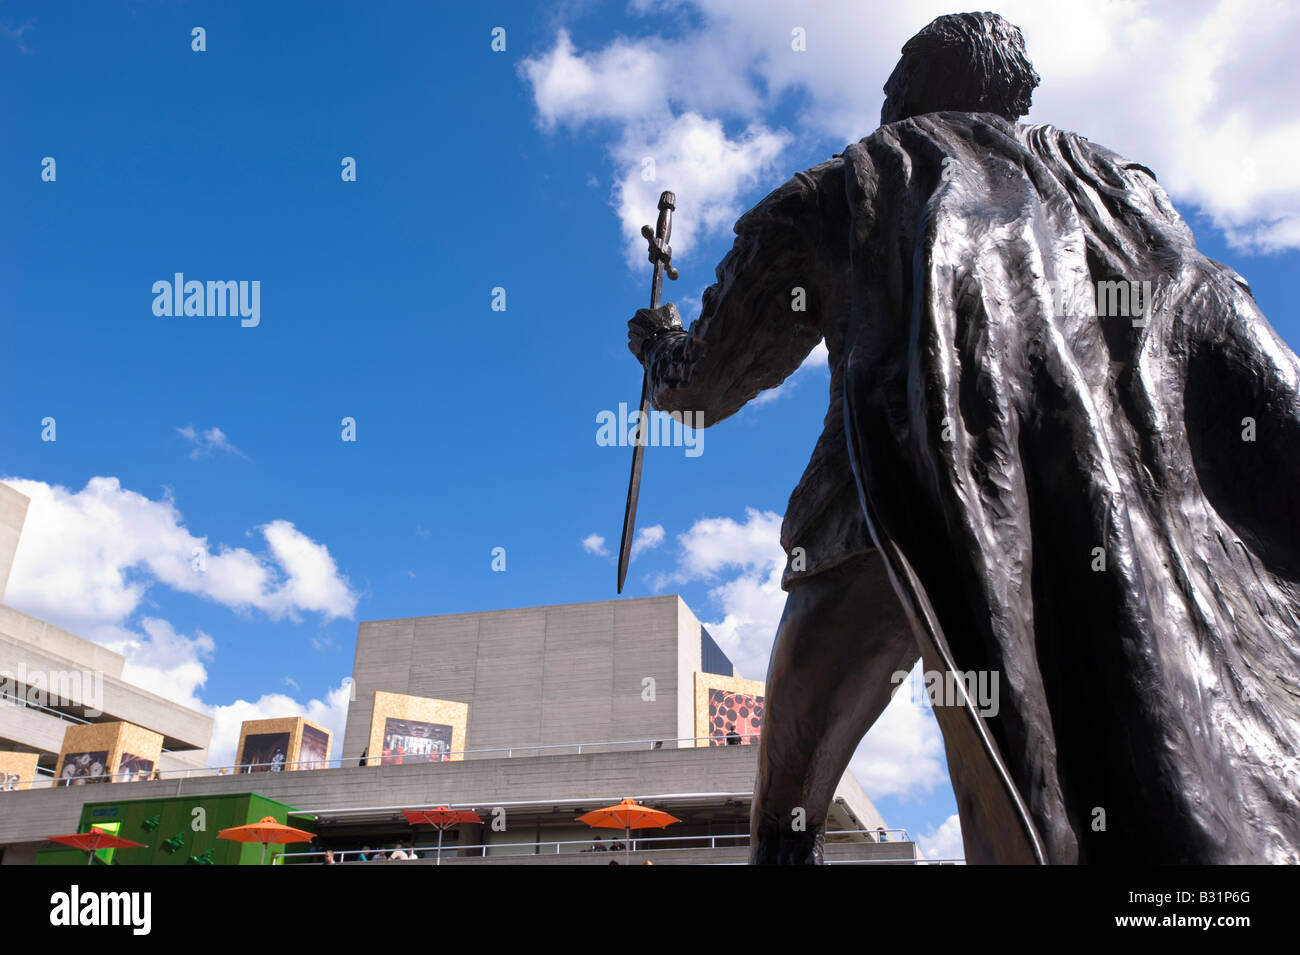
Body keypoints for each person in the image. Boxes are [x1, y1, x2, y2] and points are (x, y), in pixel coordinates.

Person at [628, 11, 1300, 865]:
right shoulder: (1125, 199)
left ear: (907, 91)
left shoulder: (842, 191)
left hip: (872, 527)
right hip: (1102, 537)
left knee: (784, 827)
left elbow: (704, 384)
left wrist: (657, 345)